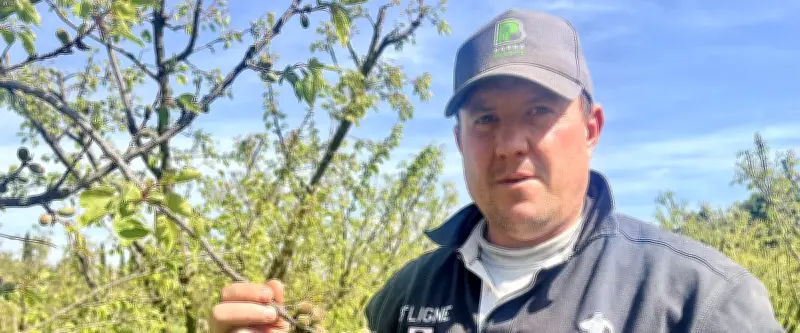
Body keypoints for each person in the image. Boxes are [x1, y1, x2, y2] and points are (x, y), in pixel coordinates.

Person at [209, 9, 785, 333]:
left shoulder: (699, 301)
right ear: (460, 139)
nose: (510, 143)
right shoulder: (402, 297)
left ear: (592, 128)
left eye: (539, 112)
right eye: (485, 118)